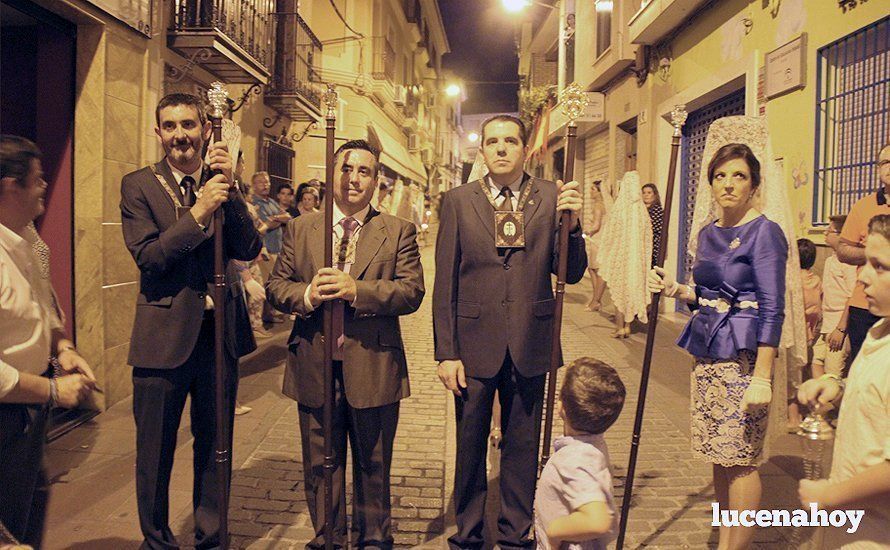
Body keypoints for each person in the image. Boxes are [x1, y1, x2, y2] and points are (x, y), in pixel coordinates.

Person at [648, 121, 806, 550]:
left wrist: (763, 376)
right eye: (720, 176)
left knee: (741, 459)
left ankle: (736, 546)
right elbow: (712, 294)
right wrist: (679, 290)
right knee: (719, 456)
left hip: (744, 361)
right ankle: (725, 539)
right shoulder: (708, 233)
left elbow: (772, 307)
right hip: (709, 359)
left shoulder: (765, 232)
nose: (728, 184)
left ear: (754, 184)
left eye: (739, 176)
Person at [433, 114, 586, 549]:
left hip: (530, 340)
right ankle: (469, 533)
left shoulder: (553, 196)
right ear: (482, 150)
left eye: (510, 141)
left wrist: (572, 228)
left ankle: (516, 532)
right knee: (469, 446)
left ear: (525, 149)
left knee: (522, 446)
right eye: (493, 142)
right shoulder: (459, 200)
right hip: (473, 343)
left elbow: (570, 272)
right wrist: (446, 351)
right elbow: (446, 279)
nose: (501, 149)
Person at [119, 93, 262, 549]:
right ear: (158, 132)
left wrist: (231, 187)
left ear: (204, 128)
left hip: (217, 337)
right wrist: (200, 212)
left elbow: (248, 248)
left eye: (188, 124)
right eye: (169, 125)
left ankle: (212, 536)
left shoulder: (221, 182)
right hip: (162, 340)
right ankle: (157, 541)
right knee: (154, 453)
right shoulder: (138, 186)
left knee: (216, 447)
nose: (180, 134)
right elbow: (150, 257)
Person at [266, 139, 424, 549]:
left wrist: (357, 290)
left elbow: (411, 291)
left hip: (373, 365)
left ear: (376, 181)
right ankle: (328, 537)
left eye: (364, 172)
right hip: (315, 365)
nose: (353, 179)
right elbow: (276, 286)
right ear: (333, 173)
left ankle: (374, 538)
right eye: (346, 169)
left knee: (373, 465)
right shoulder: (301, 228)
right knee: (320, 464)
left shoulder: (396, 232)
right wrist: (307, 296)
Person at [1, 135, 96, 547]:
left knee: (26, 512)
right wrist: (53, 390)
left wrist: (64, 349)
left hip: (30, 413)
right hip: (8, 414)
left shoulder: (25, 242)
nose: (44, 187)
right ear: (11, 186)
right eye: (37, 180)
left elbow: (43, 306)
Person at [797, 213, 890, 549]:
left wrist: (831, 494)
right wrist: (837, 385)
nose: (863, 276)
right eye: (866, 262)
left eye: (879, 266)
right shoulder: (880, 330)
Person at [533, 358, 624, 550]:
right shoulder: (593, 445)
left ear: (561, 407)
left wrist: (555, 531)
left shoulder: (575, 459)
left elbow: (597, 520)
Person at [836, 143, 890, 366]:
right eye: (885, 162)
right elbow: (842, 250)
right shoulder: (863, 206)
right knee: (863, 367)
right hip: (865, 306)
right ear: (878, 169)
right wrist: (875, 253)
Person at [598, 171, 652, 338]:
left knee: (619, 291)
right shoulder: (643, 212)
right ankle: (628, 326)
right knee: (631, 291)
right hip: (637, 262)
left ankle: (620, 327)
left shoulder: (619, 210)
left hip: (621, 258)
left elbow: (610, 232)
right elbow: (648, 238)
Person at [811, 215, 857, 379]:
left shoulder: (848, 263)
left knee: (833, 372)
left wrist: (840, 329)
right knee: (816, 360)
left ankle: (832, 403)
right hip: (827, 324)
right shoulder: (831, 260)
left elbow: (853, 296)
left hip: (838, 324)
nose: (825, 232)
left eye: (830, 230)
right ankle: (820, 403)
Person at [251, 171, 290, 323]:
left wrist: (274, 219)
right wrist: (275, 221)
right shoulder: (254, 204)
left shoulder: (271, 202)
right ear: (254, 185)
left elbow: (287, 217)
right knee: (266, 284)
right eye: (261, 182)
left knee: (273, 283)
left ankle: (270, 315)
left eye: (267, 182)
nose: (265, 185)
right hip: (264, 250)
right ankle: (262, 320)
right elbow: (261, 226)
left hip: (277, 249)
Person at [792, 237, 821, 428]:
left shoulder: (793, 281)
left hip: (795, 332)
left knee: (793, 375)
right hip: (810, 333)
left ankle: (793, 416)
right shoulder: (816, 280)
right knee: (805, 371)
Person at [584, 182, 606, 312]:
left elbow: (596, 225)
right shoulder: (602, 205)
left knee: (596, 270)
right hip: (599, 239)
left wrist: (587, 231)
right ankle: (596, 299)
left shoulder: (598, 206)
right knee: (592, 269)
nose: (590, 192)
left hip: (597, 239)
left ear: (599, 191)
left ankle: (596, 300)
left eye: (592, 189)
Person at [642, 183, 664, 267]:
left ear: (654, 195)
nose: (646, 195)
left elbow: (654, 229)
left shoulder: (657, 210)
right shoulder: (642, 210)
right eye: (644, 193)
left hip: (653, 246)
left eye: (649, 192)